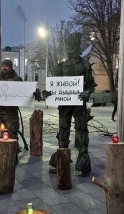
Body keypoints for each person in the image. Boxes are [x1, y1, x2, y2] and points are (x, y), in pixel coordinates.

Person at [49, 32, 97, 177]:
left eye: (72, 46)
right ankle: (62, 154)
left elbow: (90, 84)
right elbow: (54, 86)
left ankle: (83, 157)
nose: (70, 49)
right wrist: (48, 94)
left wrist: (86, 92)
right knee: (63, 129)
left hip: (79, 105)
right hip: (64, 106)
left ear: (77, 47)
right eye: (68, 46)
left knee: (81, 129)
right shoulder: (61, 66)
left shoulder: (84, 64)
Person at [0, 60, 23, 147]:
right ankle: (0, 158)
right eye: (3, 66)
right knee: (0, 136)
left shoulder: (17, 80)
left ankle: (13, 158)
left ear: (10, 67)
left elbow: (23, 92)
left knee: (12, 135)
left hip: (11, 113)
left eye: (6, 66)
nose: (4, 68)